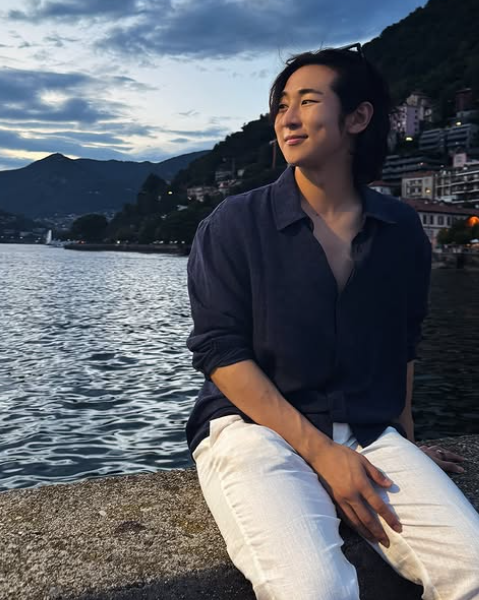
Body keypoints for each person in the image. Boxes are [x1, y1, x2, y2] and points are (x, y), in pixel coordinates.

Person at [184, 45, 479, 600]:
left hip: (365, 431)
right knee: (313, 587)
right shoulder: (235, 223)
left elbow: (402, 345)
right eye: (281, 106)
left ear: (358, 117)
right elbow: (220, 350)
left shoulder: (400, 231)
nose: (287, 119)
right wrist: (321, 453)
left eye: (307, 101)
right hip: (253, 430)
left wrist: (405, 445)